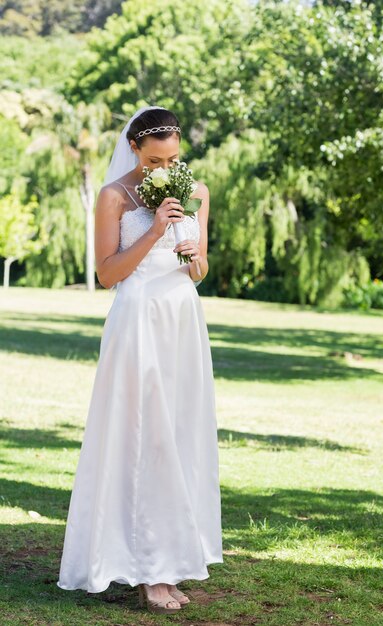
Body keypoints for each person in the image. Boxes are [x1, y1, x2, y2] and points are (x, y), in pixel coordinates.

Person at [56, 105, 223, 615]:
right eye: (154, 159)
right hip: (138, 321)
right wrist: (153, 231)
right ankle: (148, 570)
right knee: (144, 434)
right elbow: (109, 275)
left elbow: (199, 272)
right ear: (133, 148)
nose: (164, 169)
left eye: (172, 158)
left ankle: (173, 562)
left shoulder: (197, 193)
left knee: (179, 433)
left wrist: (193, 254)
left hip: (182, 322)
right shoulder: (113, 196)